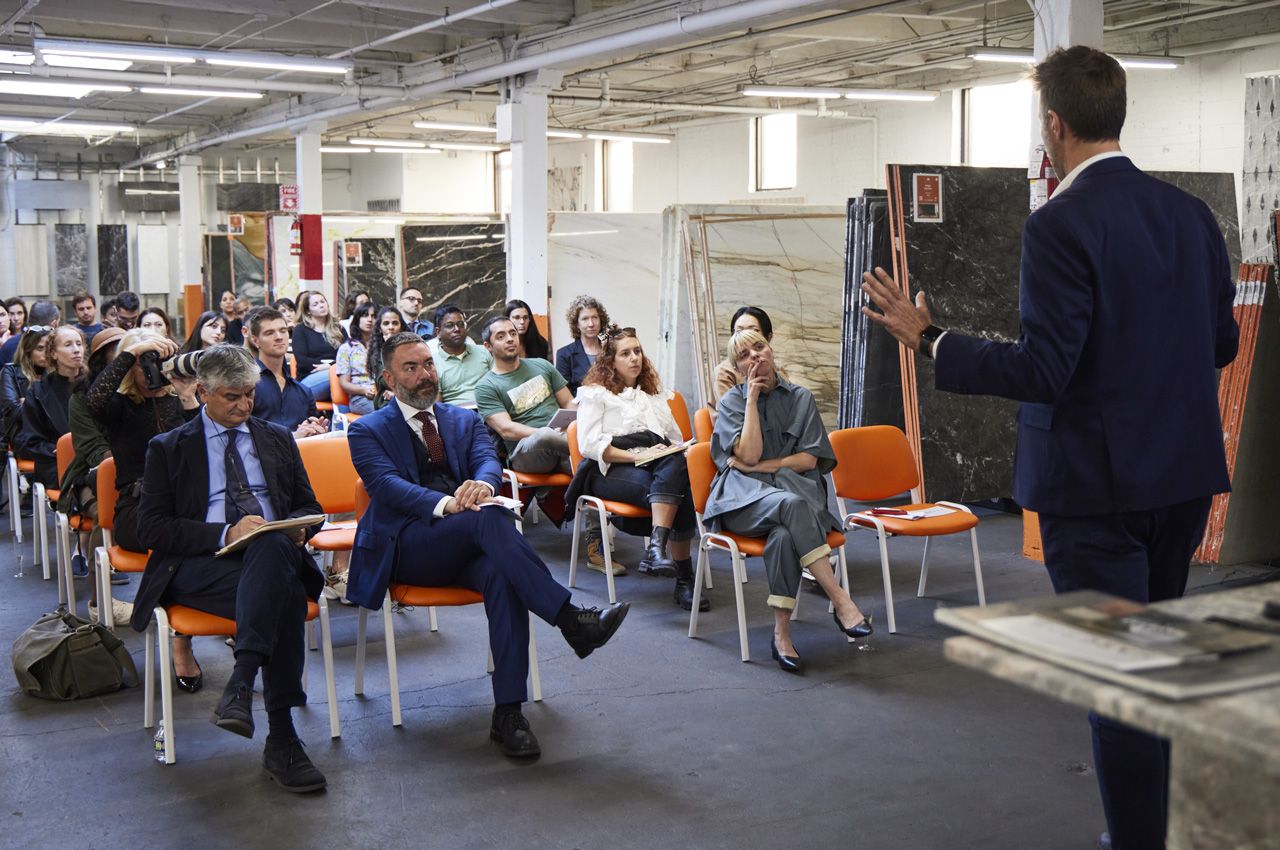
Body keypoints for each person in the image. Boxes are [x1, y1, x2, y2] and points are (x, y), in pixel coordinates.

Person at [860, 46, 1239, 850]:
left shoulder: (1060, 224)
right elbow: (1221, 345)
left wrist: (932, 340)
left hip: (1095, 493)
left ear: (1054, 126)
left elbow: (1046, 370)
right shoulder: (1192, 218)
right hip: (1181, 482)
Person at [346, 331, 629, 759]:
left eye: (427, 365)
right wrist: (448, 504)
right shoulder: (366, 430)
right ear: (388, 378)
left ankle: (509, 714)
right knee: (489, 519)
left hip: (468, 543)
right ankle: (571, 619)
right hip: (407, 546)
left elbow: (487, 458)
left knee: (503, 573)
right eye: (411, 368)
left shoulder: (461, 419)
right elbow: (386, 487)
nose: (425, 375)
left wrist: (481, 483)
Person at [129, 344, 328, 792]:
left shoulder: (276, 438)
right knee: (286, 592)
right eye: (232, 397)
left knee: (275, 554)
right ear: (202, 392)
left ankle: (242, 684)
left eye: (249, 395)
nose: (244, 405)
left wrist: (302, 529)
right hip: (200, 567)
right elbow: (152, 529)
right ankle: (282, 739)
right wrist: (226, 533)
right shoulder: (169, 448)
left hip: (271, 557)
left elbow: (310, 506)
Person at [704, 329, 872, 673]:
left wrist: (765, 466)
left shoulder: (800, 397)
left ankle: (781, 633)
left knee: (783, 535)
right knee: (792, 507)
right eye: (745, 355)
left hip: (791, 493)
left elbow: (809, 460)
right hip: (743, 500)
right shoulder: (732, 402)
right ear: (737, 368)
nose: (756, 357)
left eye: (760, 347)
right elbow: (746, 453)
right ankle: (842, 601)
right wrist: (750, 400)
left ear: (771, 350)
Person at [572, 326, 706, 610]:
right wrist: (637, 457)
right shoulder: (596, 394)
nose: (634, 358)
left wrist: (665, 450)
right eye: (625, 353)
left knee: (676, 463)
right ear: (611, 361)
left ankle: (657, 550)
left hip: (655, 467)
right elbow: (589, 446)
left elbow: (675, 438)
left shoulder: (652, 394)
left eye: (637, 351)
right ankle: (683, 577)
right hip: (608, 469)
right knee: (678, 492)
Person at [477, 316, 621, 572]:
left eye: (512, 333)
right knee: (549, 438)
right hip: (526, 453)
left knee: (588, 470)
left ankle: (595, 549)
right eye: (501, 336)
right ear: (488, 346)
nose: (510, 338)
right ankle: (600, 450)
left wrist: (570, 424)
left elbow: (569, 404)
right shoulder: (487, 385)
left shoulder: (541, 366)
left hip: (563, 443)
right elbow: (506, 429)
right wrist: (550, 432)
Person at [84, 328, 201, 644]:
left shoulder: (180, 401)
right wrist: (131, 352)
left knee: (212, 530)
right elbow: (93, 400)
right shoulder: (120, 407)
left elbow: (204, 448)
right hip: (138, 510)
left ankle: (181, 622)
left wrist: (189, 396)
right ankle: (180, 637)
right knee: (185, 537)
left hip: (184, 504)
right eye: (142, 363)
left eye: (157, 361)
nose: (150, 370)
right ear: (127, 369)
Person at [58, 327, 124, 594]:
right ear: (101, 359)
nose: (124, 360)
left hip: (137, 474)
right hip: (90, 476)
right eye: (117, 353)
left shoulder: (142, 393)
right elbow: (93, 448)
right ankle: (99, 597)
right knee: (106, 514)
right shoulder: (81, 397)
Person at [16, 326, 85, 489]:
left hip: (94, 459)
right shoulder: (39, 391)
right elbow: (32, 441)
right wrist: (61, 449)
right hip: (56, 464)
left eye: (79, 344)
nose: (76, 350)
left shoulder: (94, 384)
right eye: (68, 345)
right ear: (53, 353)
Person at [247, 308, 327, 438]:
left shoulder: (303, 391)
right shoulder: (246, 384)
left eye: (283, 331)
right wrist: (292, 437)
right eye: (269, 333)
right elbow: (242, 434)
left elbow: (310, 432)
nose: (278, 337)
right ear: (256, 341)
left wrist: (316, 431)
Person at [713, 306, 787, 406]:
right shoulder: (724, 372)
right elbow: (728, 414)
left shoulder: (776, 368)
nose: (746, 336)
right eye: (739, 331)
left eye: (753, 331)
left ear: (768, 338)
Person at [426, 304, 493, 408]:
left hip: (489, 410)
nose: (457, 329)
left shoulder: (484, 352)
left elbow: (499, 384)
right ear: (438, 332)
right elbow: (437, 405)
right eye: (449, 325)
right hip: (456, 416)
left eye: (461, 324)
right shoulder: (432, 363)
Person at [1, 326, 52, 450]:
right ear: (28, 350)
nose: (46, 353)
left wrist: (29, 403)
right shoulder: (11, 371)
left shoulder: (57, 372)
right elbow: (14, 411)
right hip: (24, 435)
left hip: (54, 433)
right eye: (40, 348)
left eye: (49, 348)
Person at [292, 290, 346, 402]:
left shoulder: (338, 328)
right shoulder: (300, 330)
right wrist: (331, 367)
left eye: (322, 302)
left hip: (335, 372)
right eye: (315, 304)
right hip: (309, 379)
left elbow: (348, 354)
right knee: (338, 374)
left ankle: (341, 416)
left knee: (343, 375)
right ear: (308, 311)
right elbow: (302, 360)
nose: (321, 305)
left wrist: (331, 366)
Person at [555, 295, 609, 396]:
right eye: (585, 319)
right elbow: (563, 394)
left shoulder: (610, 351)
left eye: (595, 317)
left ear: (601, 320)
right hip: (579, 409)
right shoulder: (564, 354)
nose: (591, 324)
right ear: (576, 324)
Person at [335, 302, 378, 415]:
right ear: (357, 319)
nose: (370, 320)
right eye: (365, 315)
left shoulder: (382, 346)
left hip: (383, 394)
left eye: (373, 316)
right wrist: (363, 390)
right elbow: (344, 383)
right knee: (385, 412)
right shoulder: (346, 348)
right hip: (360, 398)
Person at [0, 299, 58, 366]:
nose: (16, 318)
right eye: (40, 348)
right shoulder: (10, 344)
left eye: (20, 313)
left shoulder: (10, 343)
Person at [367, 306, 404, 409]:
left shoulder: (411, 349)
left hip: (409, 400)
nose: (391, 327)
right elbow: (387, 382)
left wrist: (398, 394)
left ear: (401, 327)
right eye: (386, 323)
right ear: (380, 328)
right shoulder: (376, 356)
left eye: (395, 323)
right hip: (386, 404)